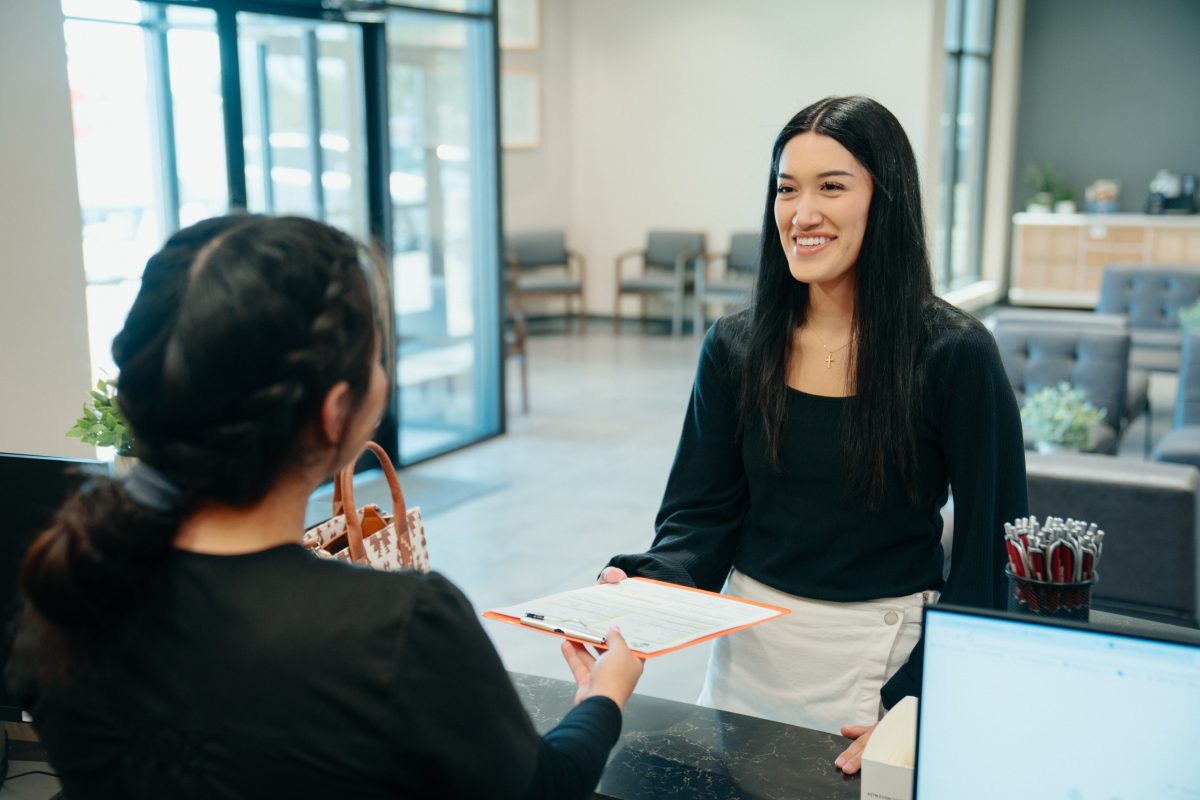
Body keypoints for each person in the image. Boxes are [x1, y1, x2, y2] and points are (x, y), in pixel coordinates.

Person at [9, 214, 643, 799]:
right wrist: (602, 697)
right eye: (376, 358)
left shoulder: (68, 583)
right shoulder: (400, 627)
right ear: (336, 412)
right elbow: (542, 789)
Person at [600, 96, 1027, 774]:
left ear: (885, 199)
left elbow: (991, 549)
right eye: (786, 189)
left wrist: (919, 697)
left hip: (881, 666)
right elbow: (700, 516)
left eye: (831, 187)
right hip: (749, 652)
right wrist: (647, 585)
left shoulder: (954, 354)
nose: (802, 214)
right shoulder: (736, 347)